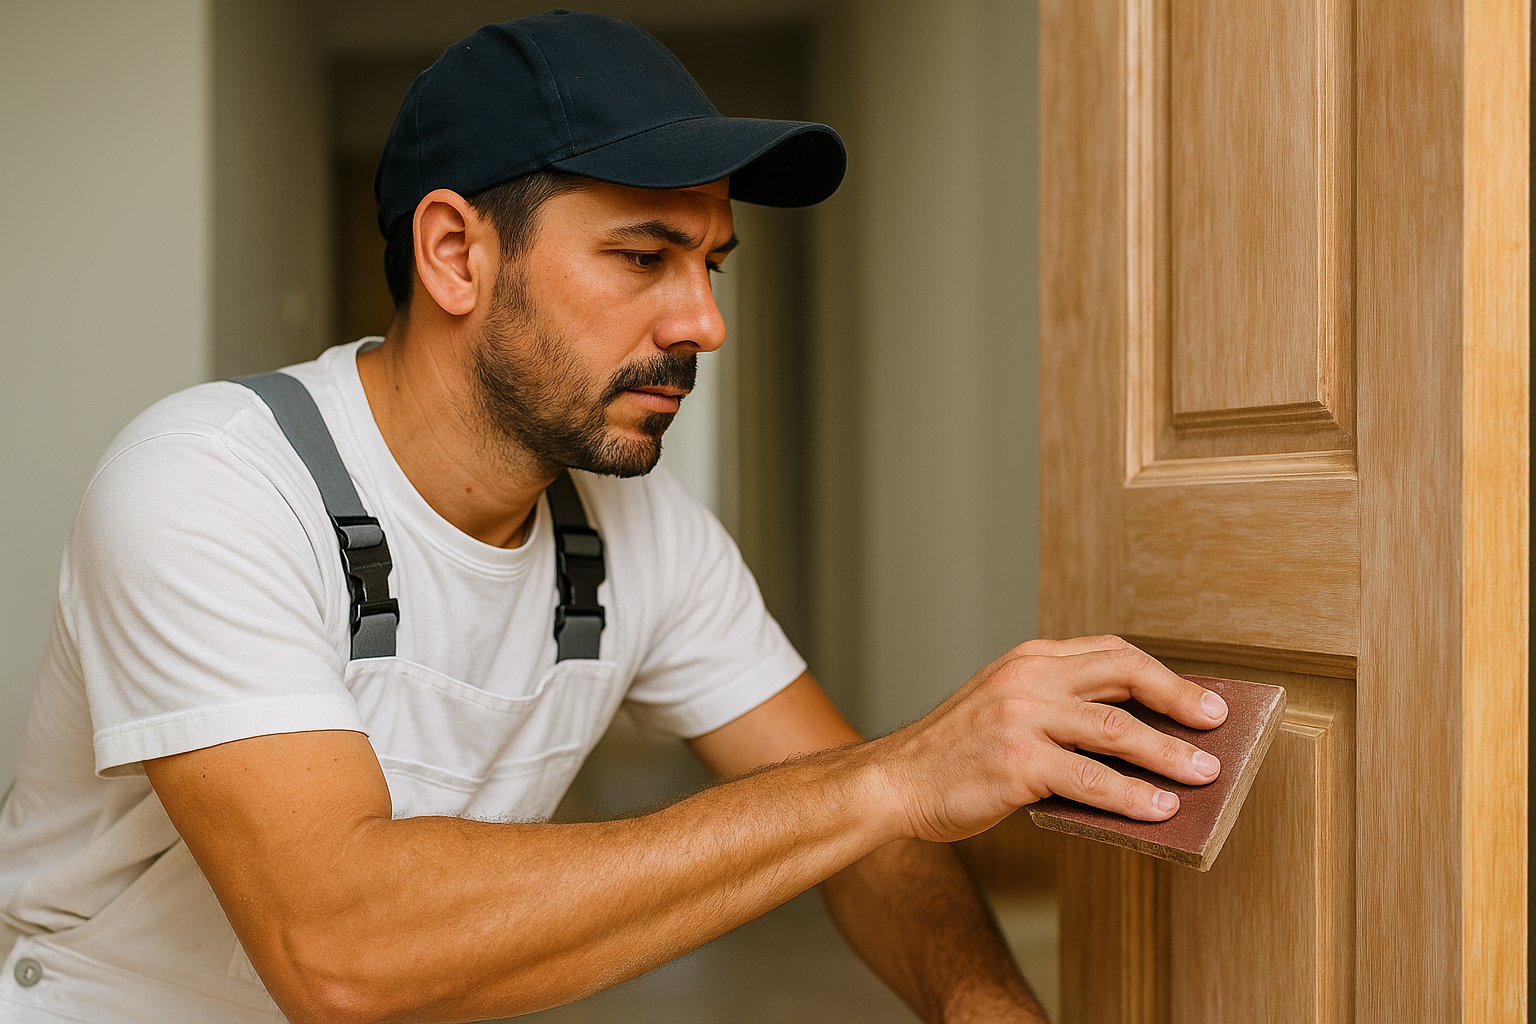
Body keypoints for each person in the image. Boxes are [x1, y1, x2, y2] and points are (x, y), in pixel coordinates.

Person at [0, 11, 1228, 1023]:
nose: (704, 324)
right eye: (645, 257)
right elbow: (339, 948)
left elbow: (868, 831)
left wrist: (986, 1008)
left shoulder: (638, 534)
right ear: (455, 255)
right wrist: (893, 774)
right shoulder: (210, 483)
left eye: (713, 264)